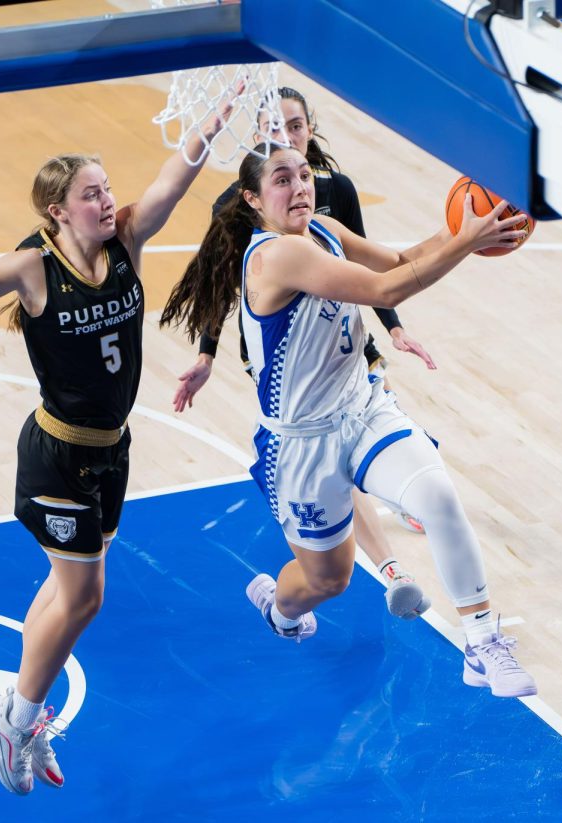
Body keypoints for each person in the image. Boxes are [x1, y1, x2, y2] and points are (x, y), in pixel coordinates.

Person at [0, 106, 231, 795]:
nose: (107, 201)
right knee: (83, 595)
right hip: (57, 456)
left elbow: (170, 184)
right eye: (91, 194)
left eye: (106, 188)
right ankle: (17, 719)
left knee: (69, 590)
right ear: (58, 210)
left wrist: (205, 131)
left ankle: (11, 706)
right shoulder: (33, 268)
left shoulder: (127, 239)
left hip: (111, 451)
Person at [160, 144, 537, 696]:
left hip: (361, 409)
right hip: (299, 445)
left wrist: (462, 225)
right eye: (282, 180)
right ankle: (278, 606)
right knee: (327, 580)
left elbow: (400, 259)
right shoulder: (276, 256)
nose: (300, 187)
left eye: (304, 175)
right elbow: (388, 289)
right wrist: (466, 243)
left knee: (437, 496)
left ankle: (481, 644)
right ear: (252, 199)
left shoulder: (327, 231)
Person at [172, 87, 433, 622]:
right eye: (274, 128)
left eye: (294, 126)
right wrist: (205, 354)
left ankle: (394, 554)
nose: (286, 137)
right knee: (330, 449)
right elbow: (217, 284)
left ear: (310, 129)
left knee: (358, 435)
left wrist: (396, 328)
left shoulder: (336, 192)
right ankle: (379, 567)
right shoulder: (244, 206)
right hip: (282, 351)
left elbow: (379, 269)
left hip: (347, 335)